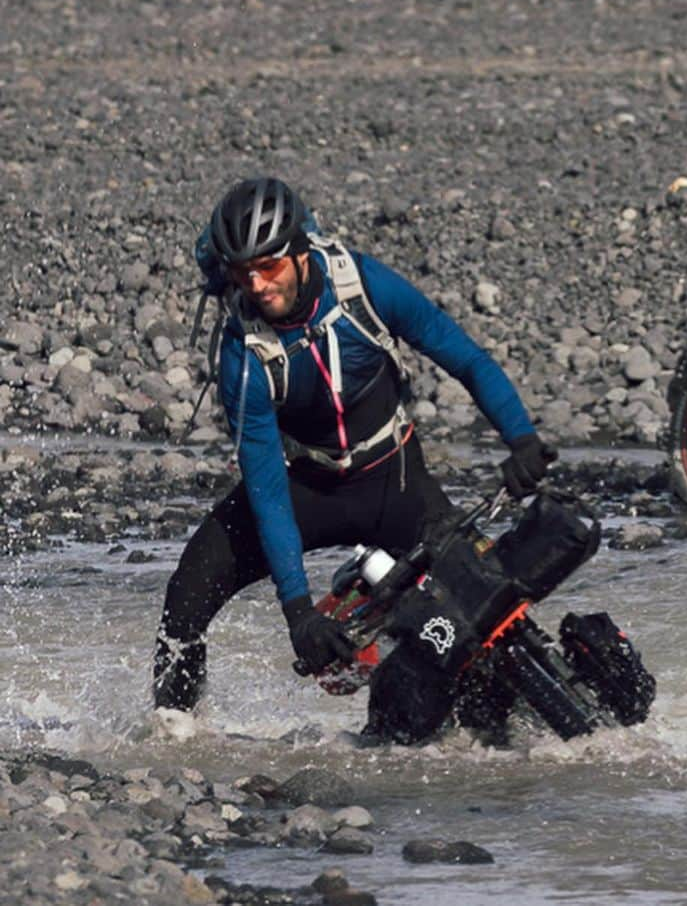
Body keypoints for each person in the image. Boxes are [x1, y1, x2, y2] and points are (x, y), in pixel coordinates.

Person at [154, 176, 556, 741]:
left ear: (298, 249)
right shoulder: (241, 354)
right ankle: (173, 733)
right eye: (242, 271)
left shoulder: (363, 285)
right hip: (303, 490)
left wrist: (521, 440)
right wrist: (298, 613)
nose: (256, 283)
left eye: (268, 265)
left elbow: (465, 357)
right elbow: (267, 488)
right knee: (186, 594)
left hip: (394, 480)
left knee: (486, 606)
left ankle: (510, 724)